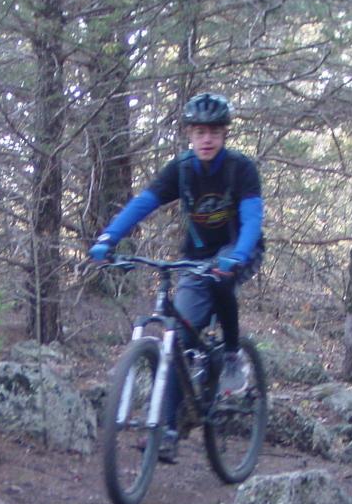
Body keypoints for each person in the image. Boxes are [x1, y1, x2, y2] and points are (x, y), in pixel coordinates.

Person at [89, 91, 264, 463]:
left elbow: (251, 220)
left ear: (224, 135)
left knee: (220, 280)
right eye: (199, 131)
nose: (206, 139)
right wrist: (108, 237)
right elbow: (143, 204)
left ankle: (232, 355)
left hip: (239, 249)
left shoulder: (240, 169)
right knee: (177, 337)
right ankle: (167, 430)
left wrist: (237, 255)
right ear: (189, 134)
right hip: (196, 255)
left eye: (214, 132)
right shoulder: (181, 170)